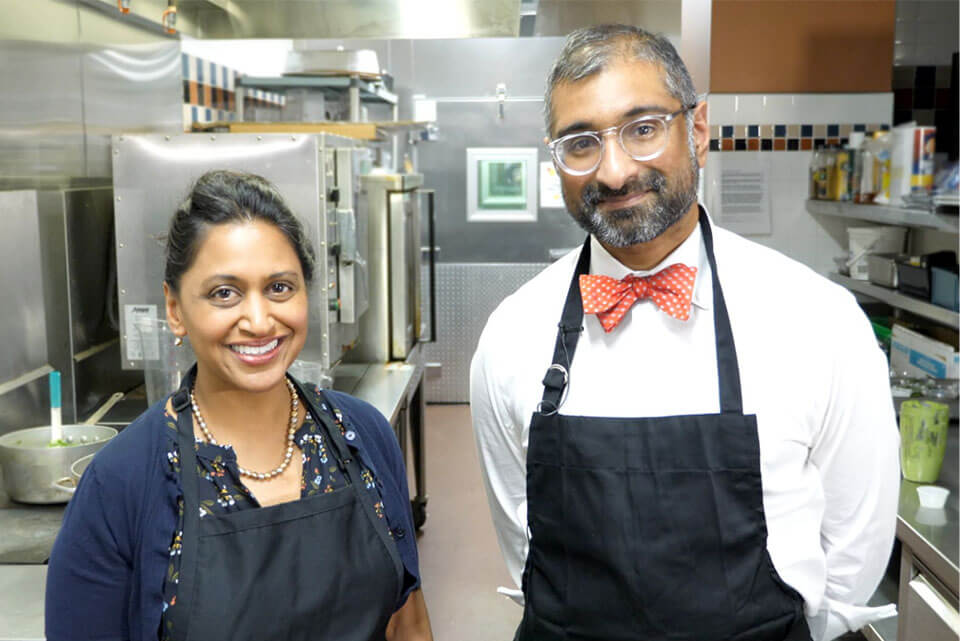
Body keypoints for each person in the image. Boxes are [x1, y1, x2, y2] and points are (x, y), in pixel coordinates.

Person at [470, 24, 899, 641]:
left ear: (696, 131)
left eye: (643, 129)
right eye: (582, 142)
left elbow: (853, 555)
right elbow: (521, 534)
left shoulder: (818, 321)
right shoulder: (513, 334)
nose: (615, 172)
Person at [47, 170, 433, 641]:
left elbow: (406, 620)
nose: (257, 319)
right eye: (224, 293)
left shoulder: (362, 435)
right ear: (175, 309)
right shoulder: (123, 481)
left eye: (279, 288)